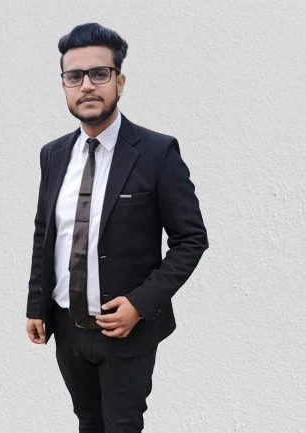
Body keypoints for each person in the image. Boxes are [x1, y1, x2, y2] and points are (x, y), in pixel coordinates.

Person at [26, 22, 209, 433]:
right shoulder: (53, 155)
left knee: (122, 426)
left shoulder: (157, 152)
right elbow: (45, 234)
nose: (86, 85)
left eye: (99, 73)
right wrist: (36, 305)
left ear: (119, 82)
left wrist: (140, 305)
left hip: (125, 328)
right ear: (64, 86)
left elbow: (191, 239)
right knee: (88, 422)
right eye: (74, 76)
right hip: (66, 326)